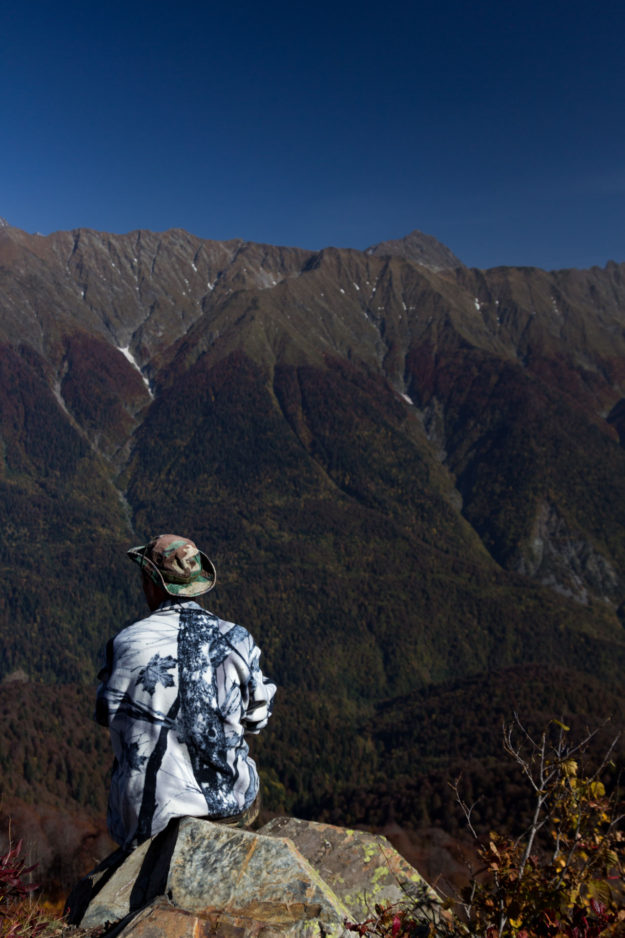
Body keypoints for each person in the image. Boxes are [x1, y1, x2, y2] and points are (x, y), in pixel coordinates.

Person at [95, 534, 276, 850]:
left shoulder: (125, 644)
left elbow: (105, 712)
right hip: (227, 808)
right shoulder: (237, 639)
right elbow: (257, 720)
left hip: (145, 819)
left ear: (152, 583)